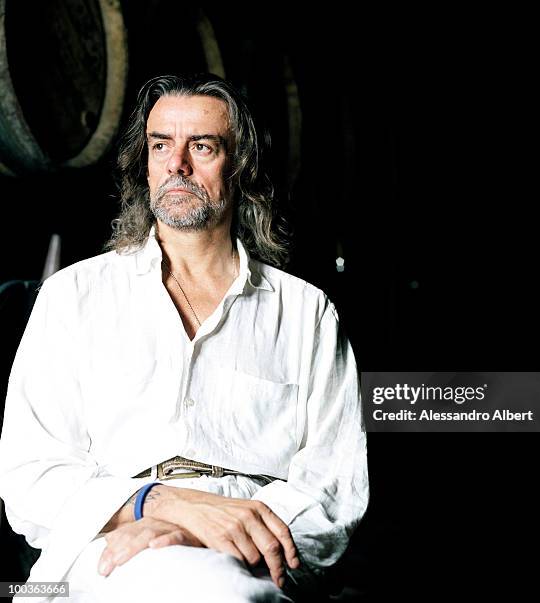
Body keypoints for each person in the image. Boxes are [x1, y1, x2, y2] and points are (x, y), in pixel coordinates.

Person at [0, 74, 369, 602]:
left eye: (201, 146)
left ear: (240, 165)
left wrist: (203, 533)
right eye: (160, 146)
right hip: (102, 545)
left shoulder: (306, 312)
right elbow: (29, 475)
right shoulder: (73, 296)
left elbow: (334, 492)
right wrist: (158, 505)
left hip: (252, 554)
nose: (177, 164)